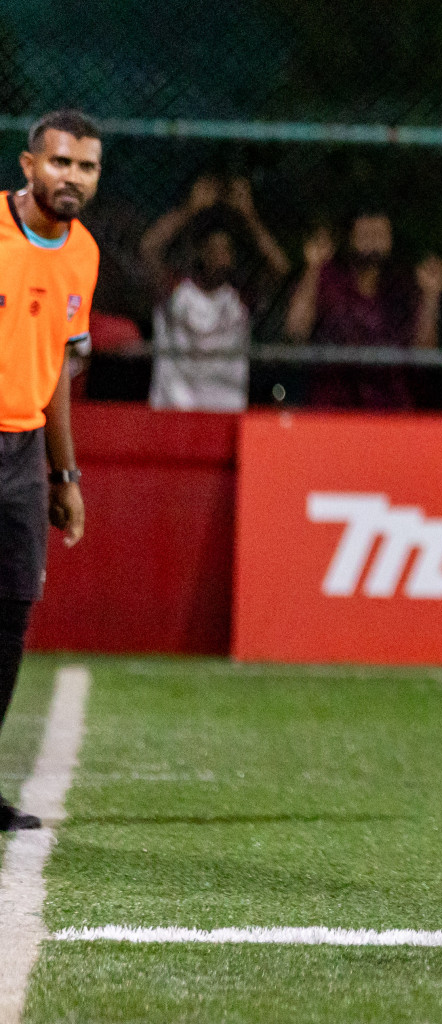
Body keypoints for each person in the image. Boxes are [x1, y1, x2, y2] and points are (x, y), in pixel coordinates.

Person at [0, 109, 98, 830]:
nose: (74, 178)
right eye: (61, 163)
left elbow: (60, 366)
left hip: (25, 453)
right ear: (29, 165)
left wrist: (66, 478)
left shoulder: (83, 254)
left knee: (9, 617)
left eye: (87, 167)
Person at [141, 175, 291, 411]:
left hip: (225, 408)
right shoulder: (177, 291)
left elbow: (280, 269)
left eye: (226, 249)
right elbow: (148, 249)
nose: (220, 255)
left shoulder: (239, 298)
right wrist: (190, 209)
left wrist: (248, 217)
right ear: (200, 252)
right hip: (173, 407)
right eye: (213, 248)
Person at [283, 212, 442, 409]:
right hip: (333, 404)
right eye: (366, 233)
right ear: (350, 237)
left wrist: (431, 296)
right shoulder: (328, 278)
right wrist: (313, 268)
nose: (373, 241)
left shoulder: (404, 286)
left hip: (391, 407)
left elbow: (425, 353)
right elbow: (295, 331)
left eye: (380, 234)